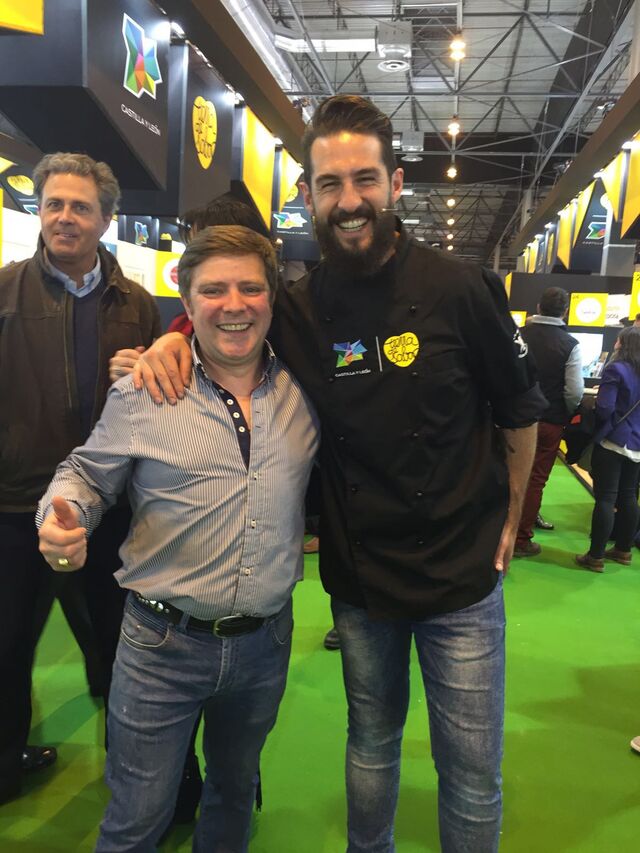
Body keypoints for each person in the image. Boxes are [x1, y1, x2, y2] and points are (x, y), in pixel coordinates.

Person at [131, 95, 545, 852]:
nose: (349, 201)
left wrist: (514, 515)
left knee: (471, 771)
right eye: (330, 184)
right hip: (362, 580)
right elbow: (228, 332)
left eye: (364, 180)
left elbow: (519, 411)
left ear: (395, 184)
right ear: (308, 193)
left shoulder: (462, 288)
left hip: (463, 579)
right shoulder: (296, 309)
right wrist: (174, 339)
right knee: (371, 747)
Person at [37, 225, 319, 850]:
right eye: (213, 290)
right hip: (160, 645)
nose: (234, 305)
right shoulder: (146, 390)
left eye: (250, 288)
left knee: (234, 793)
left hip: (265, 643)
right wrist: (62, 519)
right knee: (137, 816)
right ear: (187, 303)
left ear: (272, 297)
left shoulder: (305, 391)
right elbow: (86, 473)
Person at [0, 151, 160, 805]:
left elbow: (160, 404)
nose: (64, 217)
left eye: (80, 207)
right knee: (6, 647)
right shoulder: (4, 291)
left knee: (121, 652)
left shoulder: (137, 304)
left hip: (110, 509)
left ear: (106, 219)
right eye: (54, 204)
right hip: (14, 506)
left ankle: (133, 781)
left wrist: (141, 373)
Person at [514, 287, 583, 556]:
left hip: (515, 418)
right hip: (549, 420)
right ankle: (521, 540)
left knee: (505, 473)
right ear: (565, 312)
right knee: (536, 480)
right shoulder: (571, 344)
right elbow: (574, 391)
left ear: (539, 307)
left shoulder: (518, 335)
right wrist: (564, 413)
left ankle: (495, 534)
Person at [576, 326, 640, 572]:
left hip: (613, 439)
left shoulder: (616, 369)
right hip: (637, 444)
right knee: (629, 496)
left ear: (623, 343)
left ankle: (596, 556)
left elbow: (605, 408)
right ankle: (623, 550)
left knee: (605, 498)